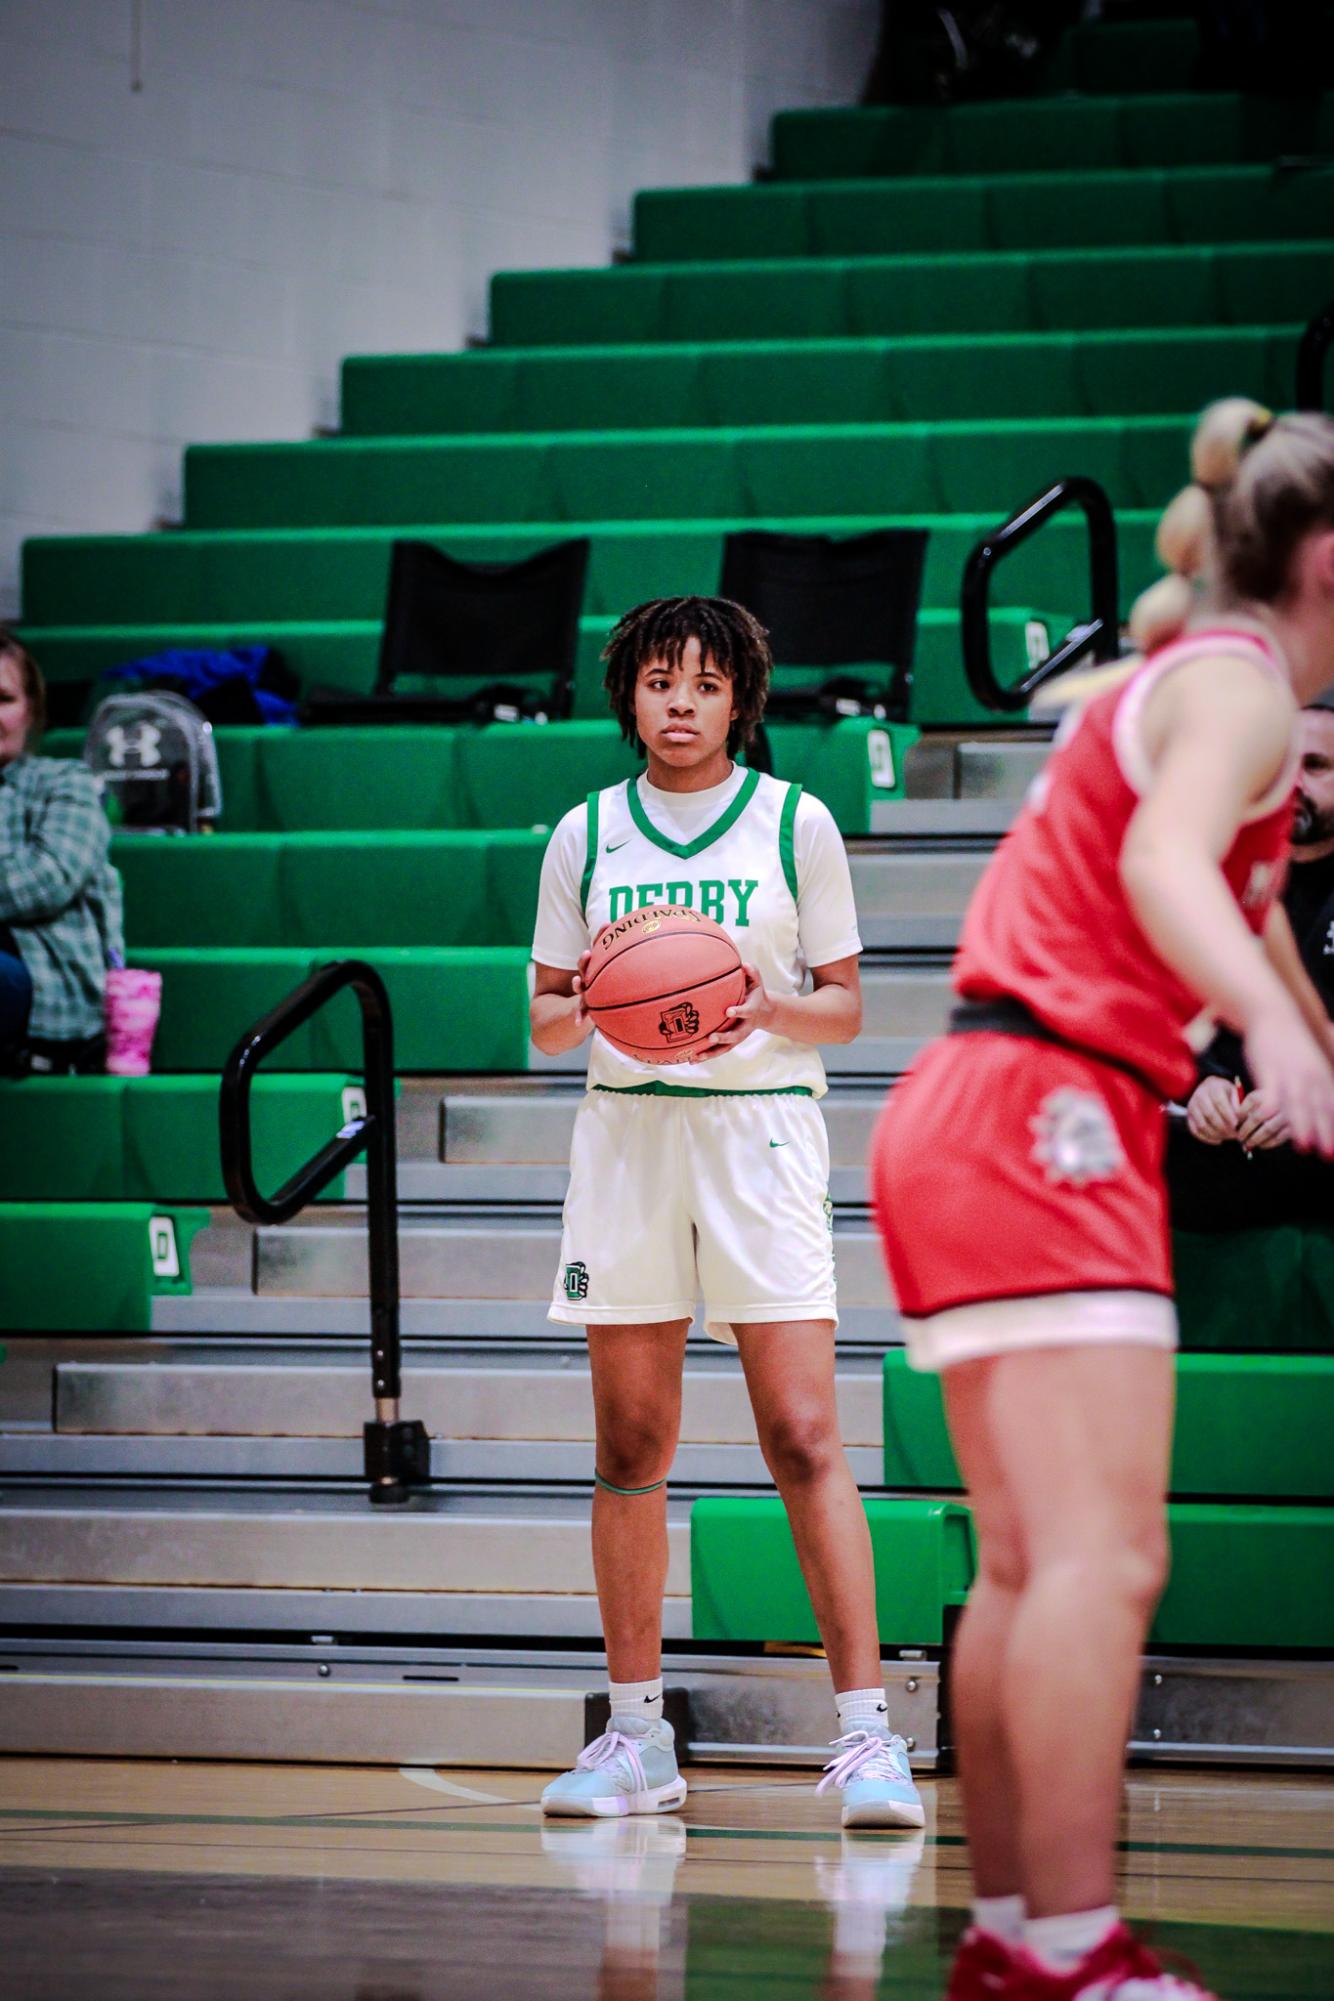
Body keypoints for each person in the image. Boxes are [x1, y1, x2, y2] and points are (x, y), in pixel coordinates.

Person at [870, 401, 1334, 2001]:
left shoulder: (1182, 682)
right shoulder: (1242, 687)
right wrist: (1269, 1029)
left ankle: (1018, 1936)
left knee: (1028, 1561)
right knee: (1098, 1559)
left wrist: (1300, 1030)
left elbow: (1232, 902)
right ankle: (1069, 1944)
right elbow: (1163, 875)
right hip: (1048, 1111)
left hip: (973, 1105)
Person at [529, 595, 923, 1830]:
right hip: (627, 1136)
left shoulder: (794, 821)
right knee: (629, 1445)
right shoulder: (584, 833)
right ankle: (635, 1734)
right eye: (658, 681)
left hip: (758, 1134)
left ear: (740, 699)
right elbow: (542, 1021)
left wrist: (756, 1000)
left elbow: (847, 1008)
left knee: (803, 1433)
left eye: (703, 682)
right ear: (628, 696)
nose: (680, 702)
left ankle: (866, 1738)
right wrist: (607, 999)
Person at [1168, 694, 1334, 1228]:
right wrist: (1197, 1084)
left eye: (1314, 766)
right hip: (1216, 1212)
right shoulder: (1206, 878)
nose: (1292, 784)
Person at [0, 633, 124, 1076]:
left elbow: (47, 879)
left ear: (30, 710)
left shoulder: (66, 782)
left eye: (3, 698)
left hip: (45, 992)